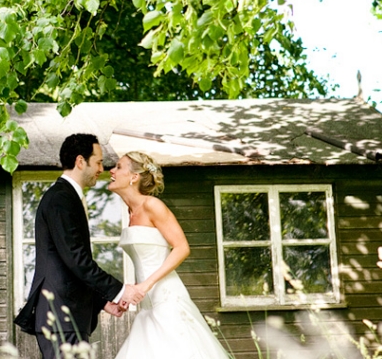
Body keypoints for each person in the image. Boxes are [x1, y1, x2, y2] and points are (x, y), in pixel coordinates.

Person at [14, 134, 145, 359]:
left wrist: (103, 302)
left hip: (68, 315)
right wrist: (121, 290)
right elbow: (76, 260)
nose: (102, 169)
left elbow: (71, 267)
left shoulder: (68, 197)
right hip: (60, 315)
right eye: (98, 162)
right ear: (80, 161)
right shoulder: (60, 199)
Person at [108, 151, 230, 359]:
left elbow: (182, 247)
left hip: (166, 299)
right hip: (146, 304)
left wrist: (144, 286)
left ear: (134, 177)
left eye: (119, 167)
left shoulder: (152, 205)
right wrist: (130, 293)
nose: (111, 171)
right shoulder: (130, 212)